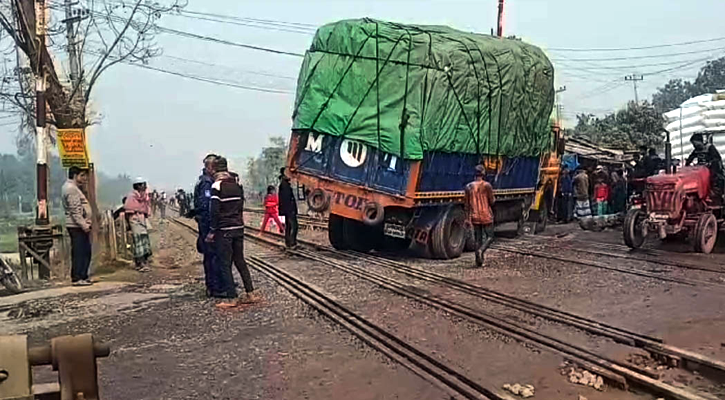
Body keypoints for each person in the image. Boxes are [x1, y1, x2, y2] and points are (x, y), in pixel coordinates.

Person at [208, 157, 259, 303]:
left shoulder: (217, 186)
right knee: (240, 260)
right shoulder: (237, 185)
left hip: (224, 229)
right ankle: (251, 293)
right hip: (238, 227)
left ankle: (232, 298)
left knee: (225, 264)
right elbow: (240, 206)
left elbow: (214, 211)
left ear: (215, 169)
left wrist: (212, 230)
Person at [190, 154, 221, 297]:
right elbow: (206, 205)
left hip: (204, 222)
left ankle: (214, 284)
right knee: (212, 255)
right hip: (207, 224)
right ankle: (214, 286)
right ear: (209, 167)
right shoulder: (206, 183)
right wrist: (212, 227)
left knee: (211, 256)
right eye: (215, 166)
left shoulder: (203, 181)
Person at [62, 166, 93, 286]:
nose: (84, 178)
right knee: (80, 252)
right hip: (76, 226)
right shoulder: (71, 189)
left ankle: (82, 276)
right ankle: (78, 277)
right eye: (82, 175)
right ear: (75, 176)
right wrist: (84, 224)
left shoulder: (72, 188)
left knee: (84, 251)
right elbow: (75, 211)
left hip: (77, 225)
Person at [464, 165, 495, 267]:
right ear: (483, 173)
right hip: (485, 215)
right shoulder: (487, 186)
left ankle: (479, 262)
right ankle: (481, 250)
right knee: (490, 236)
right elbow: (492, 201)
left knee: (478, 238)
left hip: (474, 215)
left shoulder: (468, 187)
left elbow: (467, 205)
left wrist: (467, 219)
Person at [124, 178, 153, 272]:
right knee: (138, 241)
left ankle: (144, 260)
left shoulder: (144, 196)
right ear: (137, 186)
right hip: (135, 220)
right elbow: (128, 210)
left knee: (144, 240)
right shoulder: (131, 197)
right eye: (142, 185)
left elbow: (146, 208)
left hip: (142, 220)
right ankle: (140, 263)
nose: (144, 187)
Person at [686, 133, 725, 197]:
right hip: (701, 169)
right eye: (693, 144)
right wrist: (687, 165)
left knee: (715, 177)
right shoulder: (696, 150)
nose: (695, 146)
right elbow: (690, 158)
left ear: (700, 141)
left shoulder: (709, 147)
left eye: (696, 144)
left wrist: (710, 163)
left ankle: (714, 192)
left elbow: (717, 159)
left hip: (712, 169)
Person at [278, 167, 298, 248]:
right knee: (294, 226)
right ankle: (292, 242)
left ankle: (288, 242)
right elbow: (287, 199)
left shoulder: (284, 184)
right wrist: (291, 210)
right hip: (289, 210)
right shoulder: (285, 185)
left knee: (289, 226)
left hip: (287, 210)